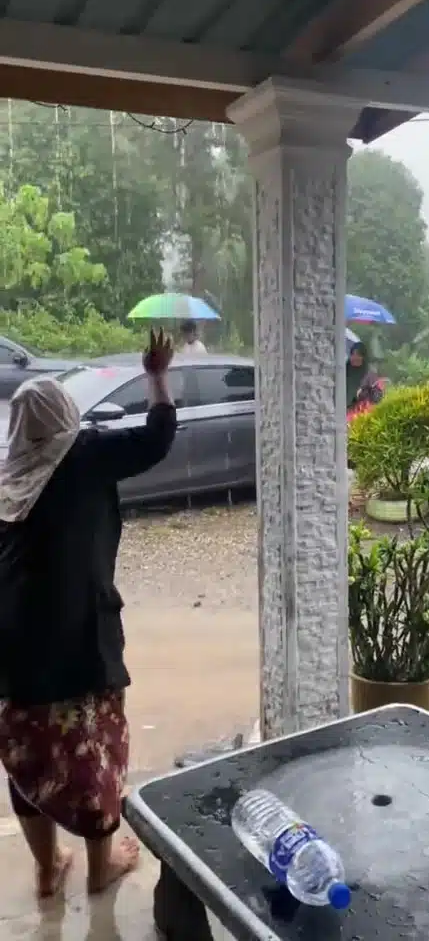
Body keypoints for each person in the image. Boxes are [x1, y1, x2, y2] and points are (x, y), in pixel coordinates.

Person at [0, 330, 176, 899]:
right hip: (81, 640)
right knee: (94, 755)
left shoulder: (9, 478)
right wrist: (154, 374)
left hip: (13, 653)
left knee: (28, 759)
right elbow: (156, 438)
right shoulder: (82, 454)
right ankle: (101, 870)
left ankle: (48, 868)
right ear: (63, 418)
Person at [346, 341, 383, 416]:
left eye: (358, 355)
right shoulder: (345, 371)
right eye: (352, 354)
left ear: (364, 357)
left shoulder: (370, 375)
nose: (354, 357)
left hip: (361, 414)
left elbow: (377, 397)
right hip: (342, 413)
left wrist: (364, 390)